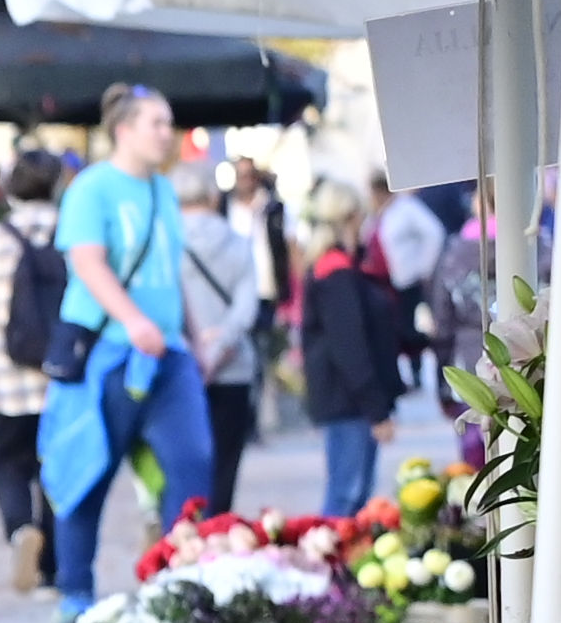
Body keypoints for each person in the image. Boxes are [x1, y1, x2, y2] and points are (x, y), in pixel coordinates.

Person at [38, 88, 221, 602]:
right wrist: (133, 320)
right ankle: (75, 596)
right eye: (156, 123)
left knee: (192, 461)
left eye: (168, 123)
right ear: (124, 130)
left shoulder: (164, 192)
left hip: (168, 355)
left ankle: (179, 588)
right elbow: (87, 263)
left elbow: (174, 271)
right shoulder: (92, 189)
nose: (166, 133)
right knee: (88, 474)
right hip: (110, 354)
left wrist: (191, 332)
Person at [0, 150, 72, 588]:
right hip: (62, 376)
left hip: (5, 377)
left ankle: (19, 529)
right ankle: (51, 568)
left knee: (8, 464)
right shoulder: (72, 230)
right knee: (56, 469)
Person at [293, 184, 417, 523]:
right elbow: (350, 348)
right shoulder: (337, 272)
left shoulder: (336, 268)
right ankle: (327, 569)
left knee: (352, 495)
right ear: (349, 218)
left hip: (348, 399)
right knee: (346, 497)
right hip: (350, 402)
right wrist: (377, 410)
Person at [177, 158, 274, 518]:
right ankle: (216, 526)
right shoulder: (236, 241)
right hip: (233, 364)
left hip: (183, 366)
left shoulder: (166, 246)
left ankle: (183, 527)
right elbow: (247, 307)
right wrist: (221, 343)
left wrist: (197, 347)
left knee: (184, 456)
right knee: (226, 457)